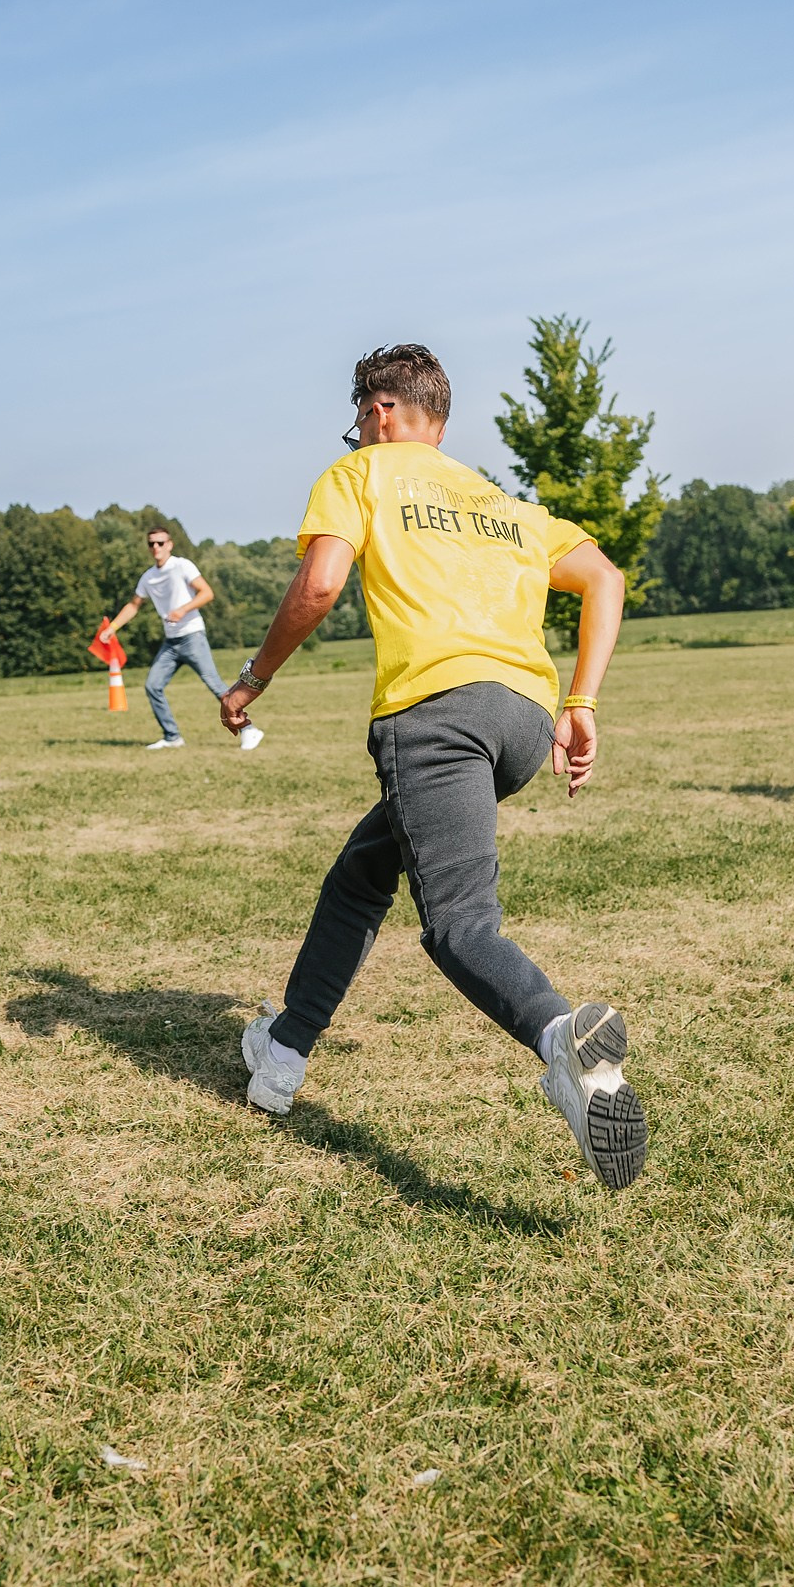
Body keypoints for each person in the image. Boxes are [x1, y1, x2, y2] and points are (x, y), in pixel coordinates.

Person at [216, 344, 646, 1189]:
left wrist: (252, 678)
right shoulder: (506, 504)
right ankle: (283, 1053)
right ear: (439, 423)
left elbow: (319, 585)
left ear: (380, 413)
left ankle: (566, 1046)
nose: (359, 432)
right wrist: (583, 701)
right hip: (520, 720)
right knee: (362, 872)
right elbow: (604, 576)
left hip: (437, 717)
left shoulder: (361, 473)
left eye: (360, 418)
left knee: (459, 925)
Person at [104, 524, 262, 752]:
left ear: (169, 545)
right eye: (151, 544)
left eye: (160, 543)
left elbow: (207, 593)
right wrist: (113, 627)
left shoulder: (182, 566)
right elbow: (134, 605)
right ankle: (172, 737)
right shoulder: (148, 577)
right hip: (171, 643)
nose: (156, 547)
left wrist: (182, 610)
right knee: (152, 686)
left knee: (216, 685)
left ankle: (249, 729)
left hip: (192, 636)